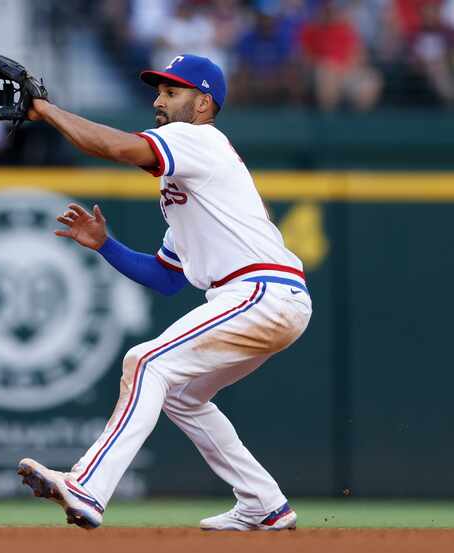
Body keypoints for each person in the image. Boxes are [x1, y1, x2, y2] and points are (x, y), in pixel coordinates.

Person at [16, 54, 312, 531]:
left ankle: (87, 487)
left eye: (171, 93)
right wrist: (106, 246)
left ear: (203, 104)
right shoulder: (185, 184)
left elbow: (115, 148)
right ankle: (263, 503)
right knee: (182, 396)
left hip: (261, 293)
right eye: (158, 91)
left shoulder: (196, 140)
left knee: (145, 362)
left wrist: (46, 110)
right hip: (266, 299)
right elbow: (166, 277)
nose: (158, 100)